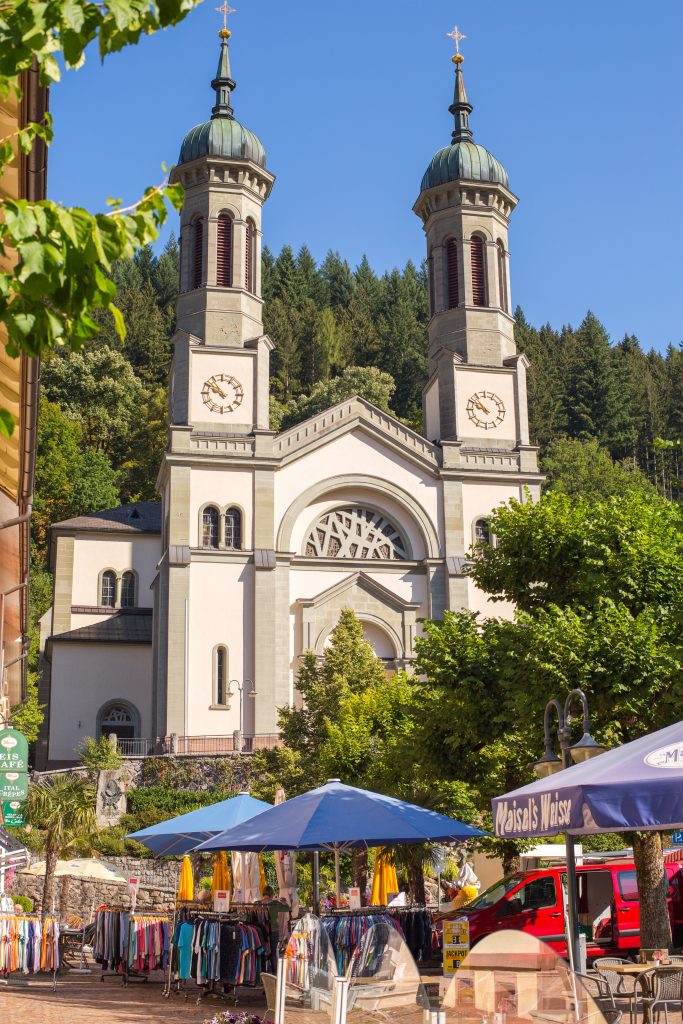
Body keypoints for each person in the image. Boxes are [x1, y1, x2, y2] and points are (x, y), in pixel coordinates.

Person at [261, 886, 290, 968]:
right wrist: (284, 902)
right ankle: (274, 971)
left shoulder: (258, 903)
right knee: (273, 952)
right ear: (271, 893)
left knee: (262, 951)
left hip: (261, 930)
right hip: (274, 930)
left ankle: (262, 970)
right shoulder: (275, 904)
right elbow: (287, 908)